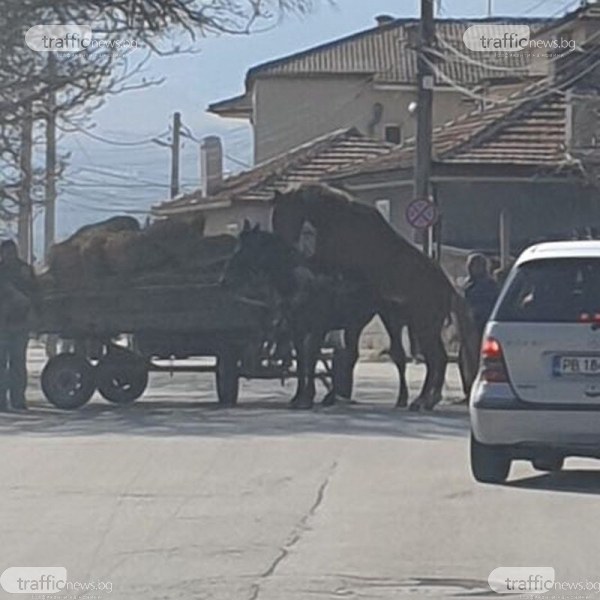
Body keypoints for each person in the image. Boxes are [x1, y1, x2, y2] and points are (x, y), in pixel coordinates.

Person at [0, 240, 39, 412]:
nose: (9, 256)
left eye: (12, 252)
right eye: (6, 253)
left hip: (19, 324)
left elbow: (35, 291)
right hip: (2, 325)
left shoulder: (24, 270)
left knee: (18, 364)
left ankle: (18, 400)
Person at [464, 253, 500, 338]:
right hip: (468, 323)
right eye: (474, 265)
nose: (476, 268)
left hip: (484, 322)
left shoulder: (490, 284)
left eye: (479, 265)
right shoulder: (467, 285)